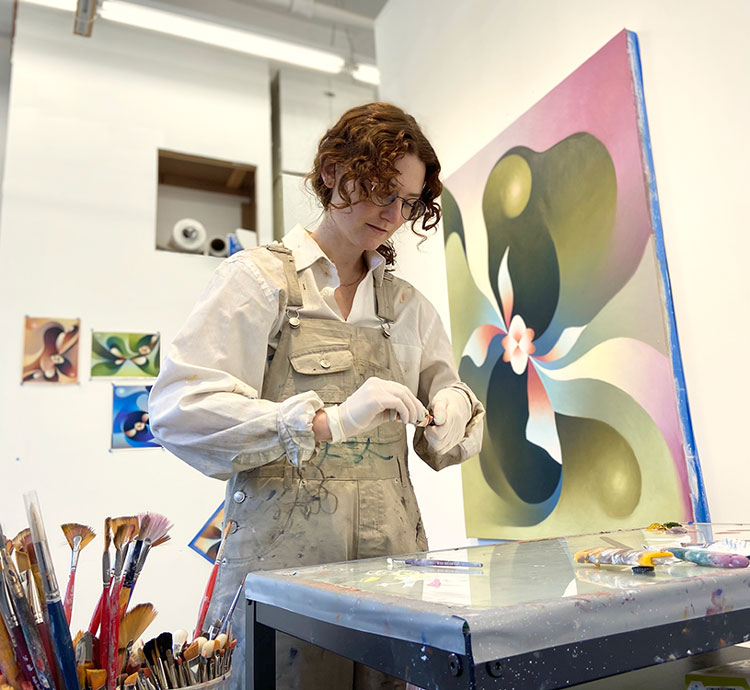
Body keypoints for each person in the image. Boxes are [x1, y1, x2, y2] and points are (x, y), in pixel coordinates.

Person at [148, 102, 485, 690]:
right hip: (284, 569)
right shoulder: (259, 283)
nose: (392, 212)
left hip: (392, 569)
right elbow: (178, 410)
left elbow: (442, 414)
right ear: (332, 171)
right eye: (381, 188)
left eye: (407, 201)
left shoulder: (405, 308)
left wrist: (454, 405)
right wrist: (321, 423)